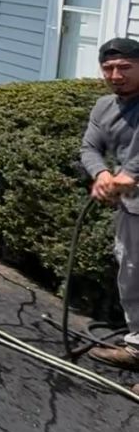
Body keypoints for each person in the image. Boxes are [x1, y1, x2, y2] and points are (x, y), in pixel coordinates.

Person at [81, 36, 139, 367]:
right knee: (132, 277)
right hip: (131, 208)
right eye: (108, 68)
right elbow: (89, 147)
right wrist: (101, 173)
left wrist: (130, 173)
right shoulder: (104, 107)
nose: (116, 75)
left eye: (125, 67)